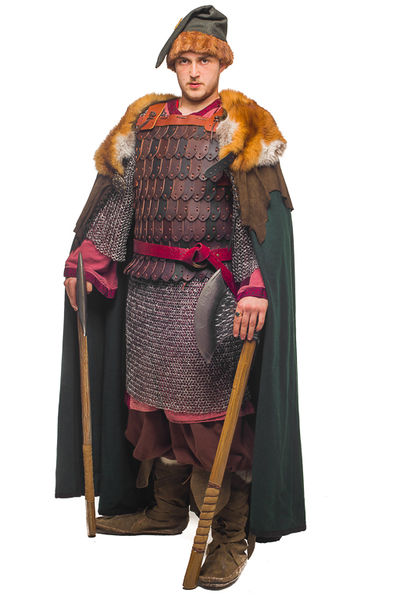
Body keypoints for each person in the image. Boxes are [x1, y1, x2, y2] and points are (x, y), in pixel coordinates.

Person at [56, 5, 306, 590]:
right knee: (152, 408)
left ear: (222, 64)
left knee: (213, 419)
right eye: (185, 60)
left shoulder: (241, 125)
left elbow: (250, 220)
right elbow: (122, 199)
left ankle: (231, 534)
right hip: (146, 292)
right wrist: (89, 259)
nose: (194, 71)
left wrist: (254, 286)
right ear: (173, 65)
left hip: (207, 297)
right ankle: (166, 511)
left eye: (205, 61)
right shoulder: (144, 122)